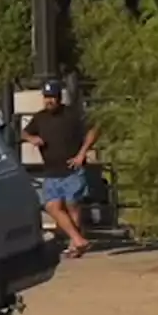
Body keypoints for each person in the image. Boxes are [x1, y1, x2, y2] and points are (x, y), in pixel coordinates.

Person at [21, 79, 99, 257]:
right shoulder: (40, 117)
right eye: (46, 97)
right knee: (52, 206)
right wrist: (31, 139)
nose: (49, 101)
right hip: (51, 170)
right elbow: (25, 132)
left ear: (59, 98)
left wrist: (82, 153)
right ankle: (79, 239)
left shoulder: (72, 114)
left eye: (53, 97)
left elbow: (93, 129)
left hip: (72, 168)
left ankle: (75, 244)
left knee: (73, 205)